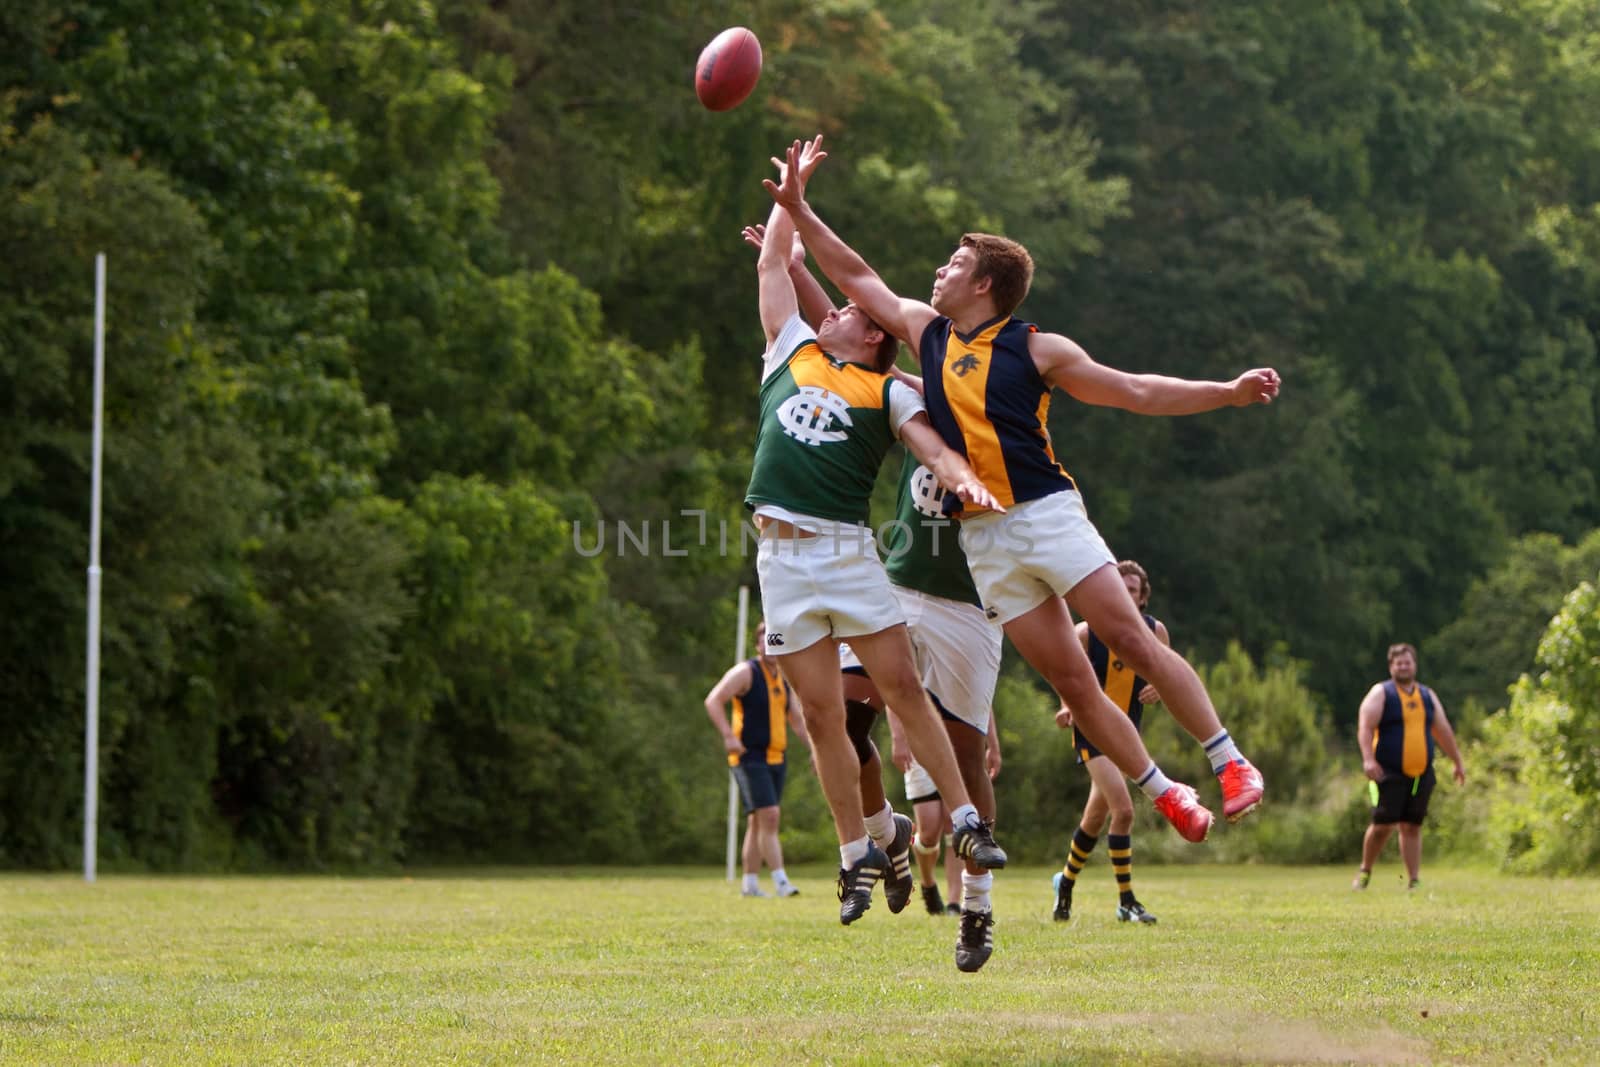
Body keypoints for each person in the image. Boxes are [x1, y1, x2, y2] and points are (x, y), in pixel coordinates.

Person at [765, 135, 1277, 843]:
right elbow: (855, 277)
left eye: (956, 263)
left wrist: (1226, 392)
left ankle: (1229, 759)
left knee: (1126, 633)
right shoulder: (927, 332)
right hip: (986, 542)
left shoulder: (1038, 348)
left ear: (984, 285)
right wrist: (800, 209)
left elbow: (1134, 390)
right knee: (1072, 682)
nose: (940, 270)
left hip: (1045, 514)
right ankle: (1165, 789)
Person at [744, 137, 1007, 934]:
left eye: (846, 312)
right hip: (780, 560)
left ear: (867, 336)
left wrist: (958, 472)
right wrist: (787, 198)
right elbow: (772, 271)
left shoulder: (884, 388)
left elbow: (929, 443)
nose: (835, 311)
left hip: (846, 552)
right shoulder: (789, 354)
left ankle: (961, 817)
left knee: (895, 690)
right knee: (824, 718)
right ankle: (860, 847)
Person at [1052, 561, 1166, 925]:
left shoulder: (1155, 632)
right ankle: (1126, 902)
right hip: (1091, 731)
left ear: (1143, 597)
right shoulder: (1086, 633)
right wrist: (1066, 706)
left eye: (1133, 590)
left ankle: (1065, 883)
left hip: (1127, 735)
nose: (1126, 595)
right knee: (1125, 809)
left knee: (1095, 817)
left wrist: (1158, 689)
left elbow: (1166, 678)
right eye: (1121, 588)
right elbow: (1064, 672)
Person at [703, 621, 810, 898]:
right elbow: (713, 700)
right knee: (771, 817)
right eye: (764, 640)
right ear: (757, 645)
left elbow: (797, 720)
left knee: (758, 821)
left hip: (777, 757)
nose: (769, 645)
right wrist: (728, 736)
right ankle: (781, 881)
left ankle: (749, 884)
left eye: (774, 639)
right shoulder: (745, 672)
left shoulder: (784, 677)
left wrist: (817, 751)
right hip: (749, 756)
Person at [1353, 643, 1466, 890]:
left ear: (1414, 665)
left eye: (1407, 662)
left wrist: (1457, 761)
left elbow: (1442, 730)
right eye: (1398, 663)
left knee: (1412, 825)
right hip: (1388, 771)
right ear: (1391, 666)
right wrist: (1368, 759)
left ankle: (1414, 880)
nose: (1403, 666)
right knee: (1383, 826)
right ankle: (1365, 872)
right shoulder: (1381, 693)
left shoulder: (1426, 695)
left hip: (1421, 772)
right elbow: (1365, 726)